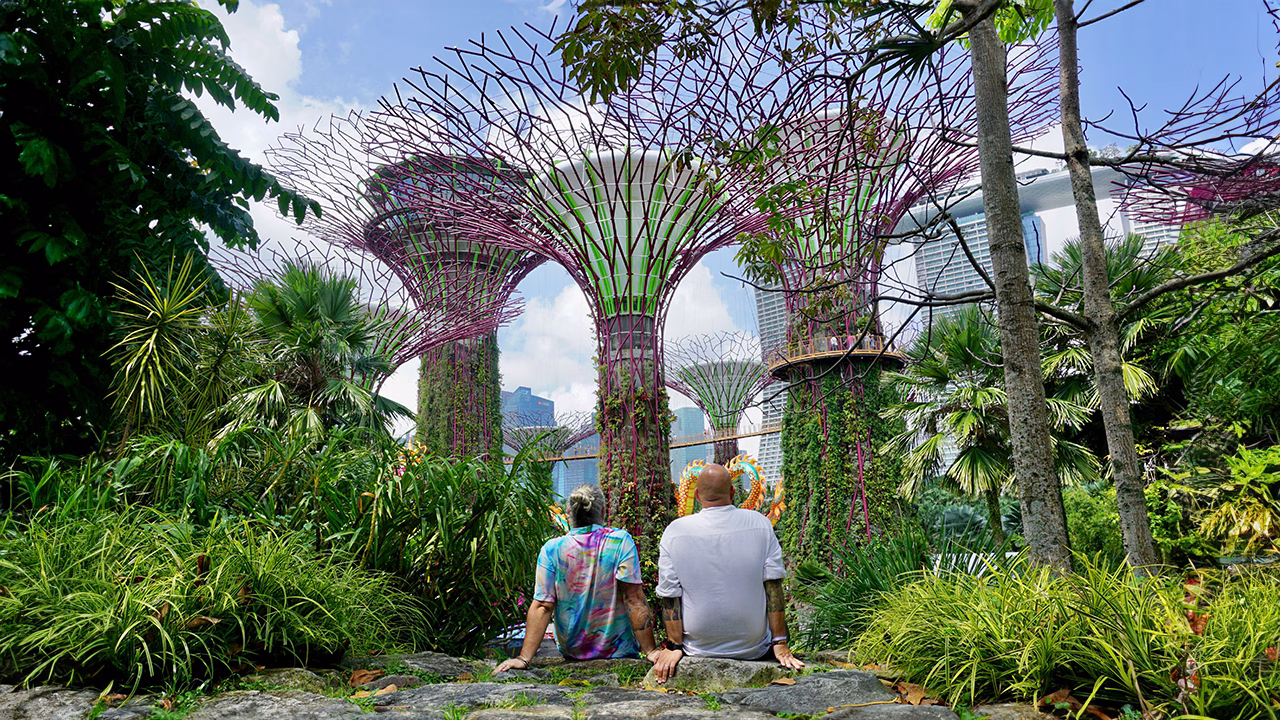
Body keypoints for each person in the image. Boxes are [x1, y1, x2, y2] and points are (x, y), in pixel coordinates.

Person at [652, 463, 804, 683]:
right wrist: (779, 643)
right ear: (732, 492)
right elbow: (773, 587)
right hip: (754, 649)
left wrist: (674, 646)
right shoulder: (761, 524)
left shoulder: (674, 531)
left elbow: (670, 594)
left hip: (697, 649)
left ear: (696, 495)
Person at [495, 484, 660, 672]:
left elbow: (542, 606)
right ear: (603, 511)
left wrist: (524, 658)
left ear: (569, 513)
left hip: (573, 652)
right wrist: (651, 651)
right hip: (617, 651)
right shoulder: (620, 541)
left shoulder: (552, 549)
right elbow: (634, 598)